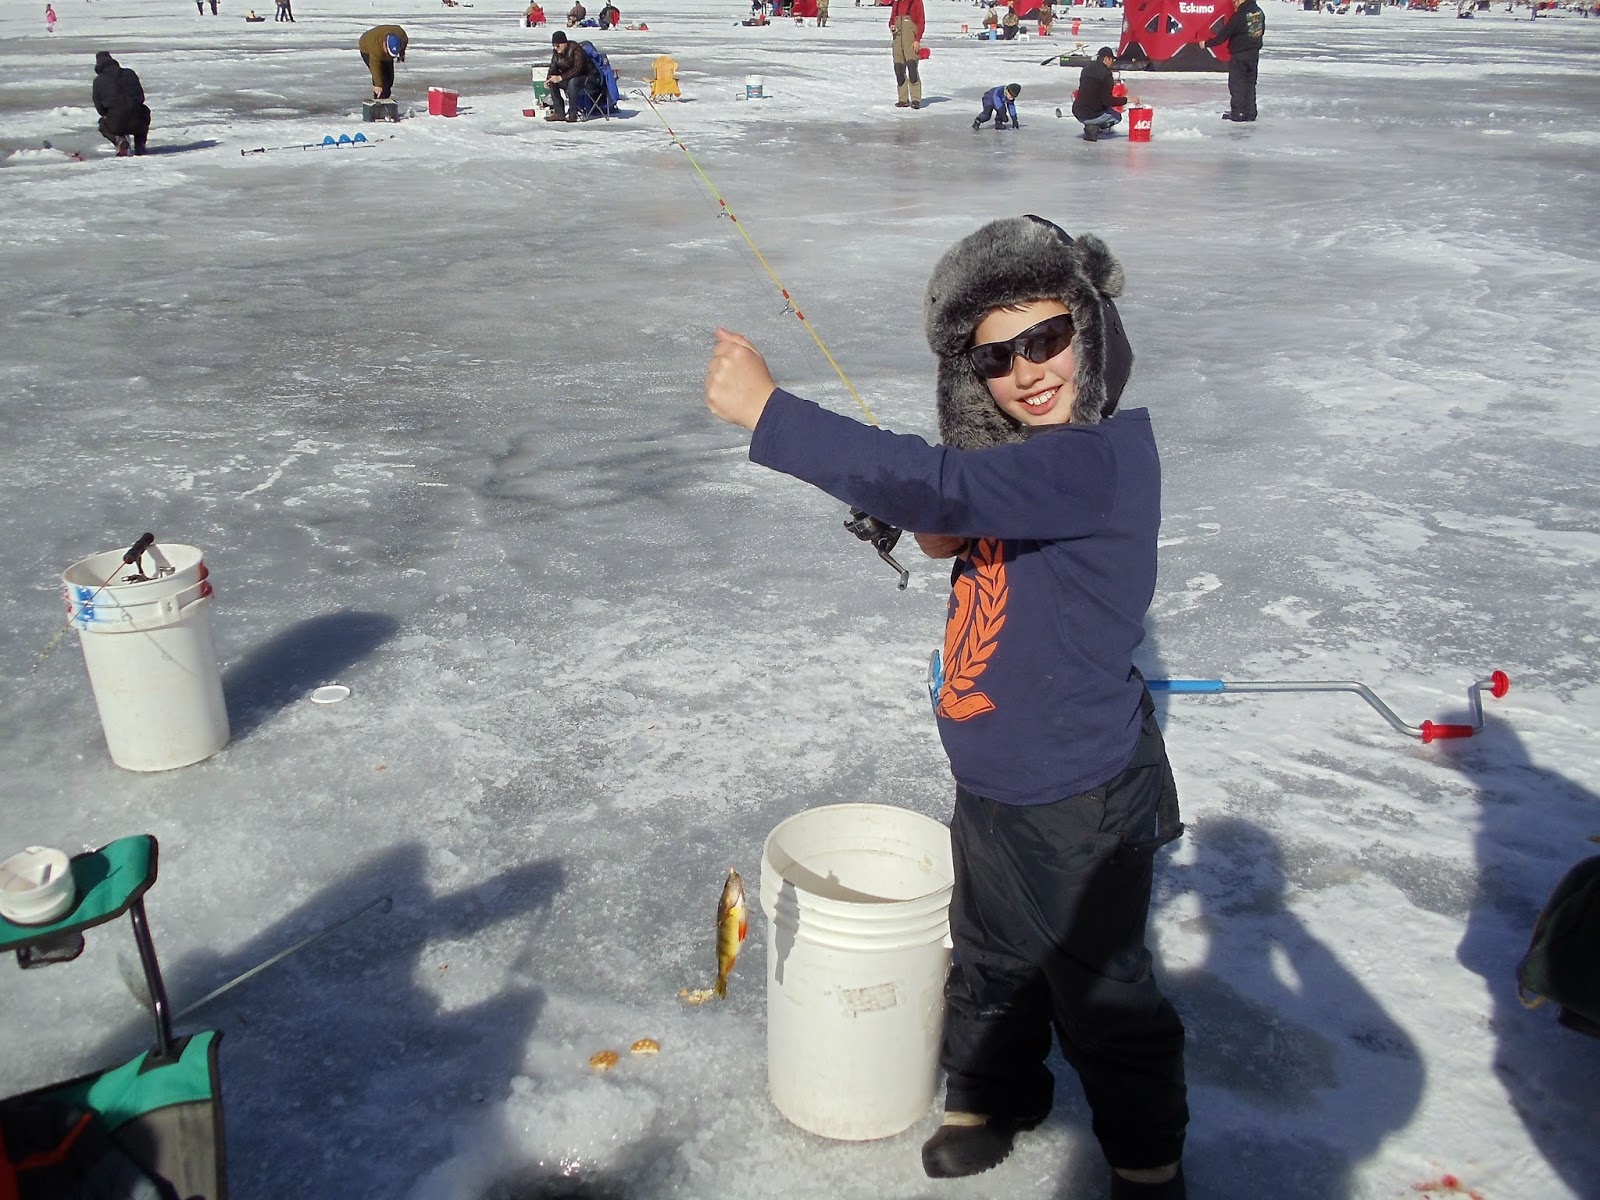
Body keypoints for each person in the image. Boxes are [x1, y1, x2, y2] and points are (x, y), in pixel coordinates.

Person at [703, 214, 1188, 1198]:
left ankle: (1147, 1162)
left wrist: (770, 413)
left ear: (1090, 332)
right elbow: (954, 514)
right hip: (994, 787)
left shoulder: (1100, 461)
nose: (1027, 371)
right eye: (997, 357)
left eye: (1046, 338)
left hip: (1078, 799)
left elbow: (944, 485)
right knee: (991, 957)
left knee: (1102, 994)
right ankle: (991, 1095)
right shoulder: (1023, 471)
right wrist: (929, 523)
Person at [1201, 0, 1265, 121]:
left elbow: (1225, 33)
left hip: (1239, 54)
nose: (1234, 4)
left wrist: (1206, 43)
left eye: (1235, 1)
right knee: (1250, 84)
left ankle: (1238, 113)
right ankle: (1250, 112)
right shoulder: (1259, 12)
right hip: (1253, 54)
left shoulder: (1240, 14)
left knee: (1237, 83)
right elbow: (1260, 32)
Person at [92, 50, 151, 156]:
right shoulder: (130, 73)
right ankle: (140, 145)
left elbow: (100, 109)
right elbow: (141, 97)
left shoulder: (98, 81)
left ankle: (119, 140)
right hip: (138, 121)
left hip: (116, 122)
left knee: (103, 124)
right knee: (144, 112)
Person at [1072, 46, 1126, 141]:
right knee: (1117, 117)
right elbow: (1108, 101)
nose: (1112, 62)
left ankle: (1091, 124)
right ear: (1106, 59)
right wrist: (1127, 100)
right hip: (1091, 113)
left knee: (1098, 107)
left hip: (1077, 110)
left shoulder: (1086, 68)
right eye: (1111, 59)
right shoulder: (1106, 74)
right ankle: (1093, 126)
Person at [544, 30, 593, 122]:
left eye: (558, 45)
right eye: (554, 45)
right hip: (569, 78)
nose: (556, 48)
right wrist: (548, 79)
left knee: (572, 82)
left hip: (587, 78)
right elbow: (553, 68)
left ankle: (572, 114)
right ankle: (559, 112)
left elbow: (577, 69)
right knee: (552, 82)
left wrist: (560, 77)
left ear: (564, 43)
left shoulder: (576, 49)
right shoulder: (556, 53)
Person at [888, 0, 924, 109]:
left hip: (910, 40)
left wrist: (917, 40)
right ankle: (903, 99)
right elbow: (892, 19)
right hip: (897, 40)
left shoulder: (916, 2)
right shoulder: (896, 2)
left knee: (912, 67)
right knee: (898, 69)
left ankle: (916, 99)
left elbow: (921, 21)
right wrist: (892, 26)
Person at [358, 25, 407, 100]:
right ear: (385, 45)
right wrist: (378, 85)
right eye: (388, 53)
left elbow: (403, 44)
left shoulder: (402, 37)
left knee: (389, 79)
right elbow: (375, 66)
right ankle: (378, 102)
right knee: (382, 79)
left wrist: (402, 53)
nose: (389, 56)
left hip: (383, 48)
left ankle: (385, 98)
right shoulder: (375, 48)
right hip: (366, 47)